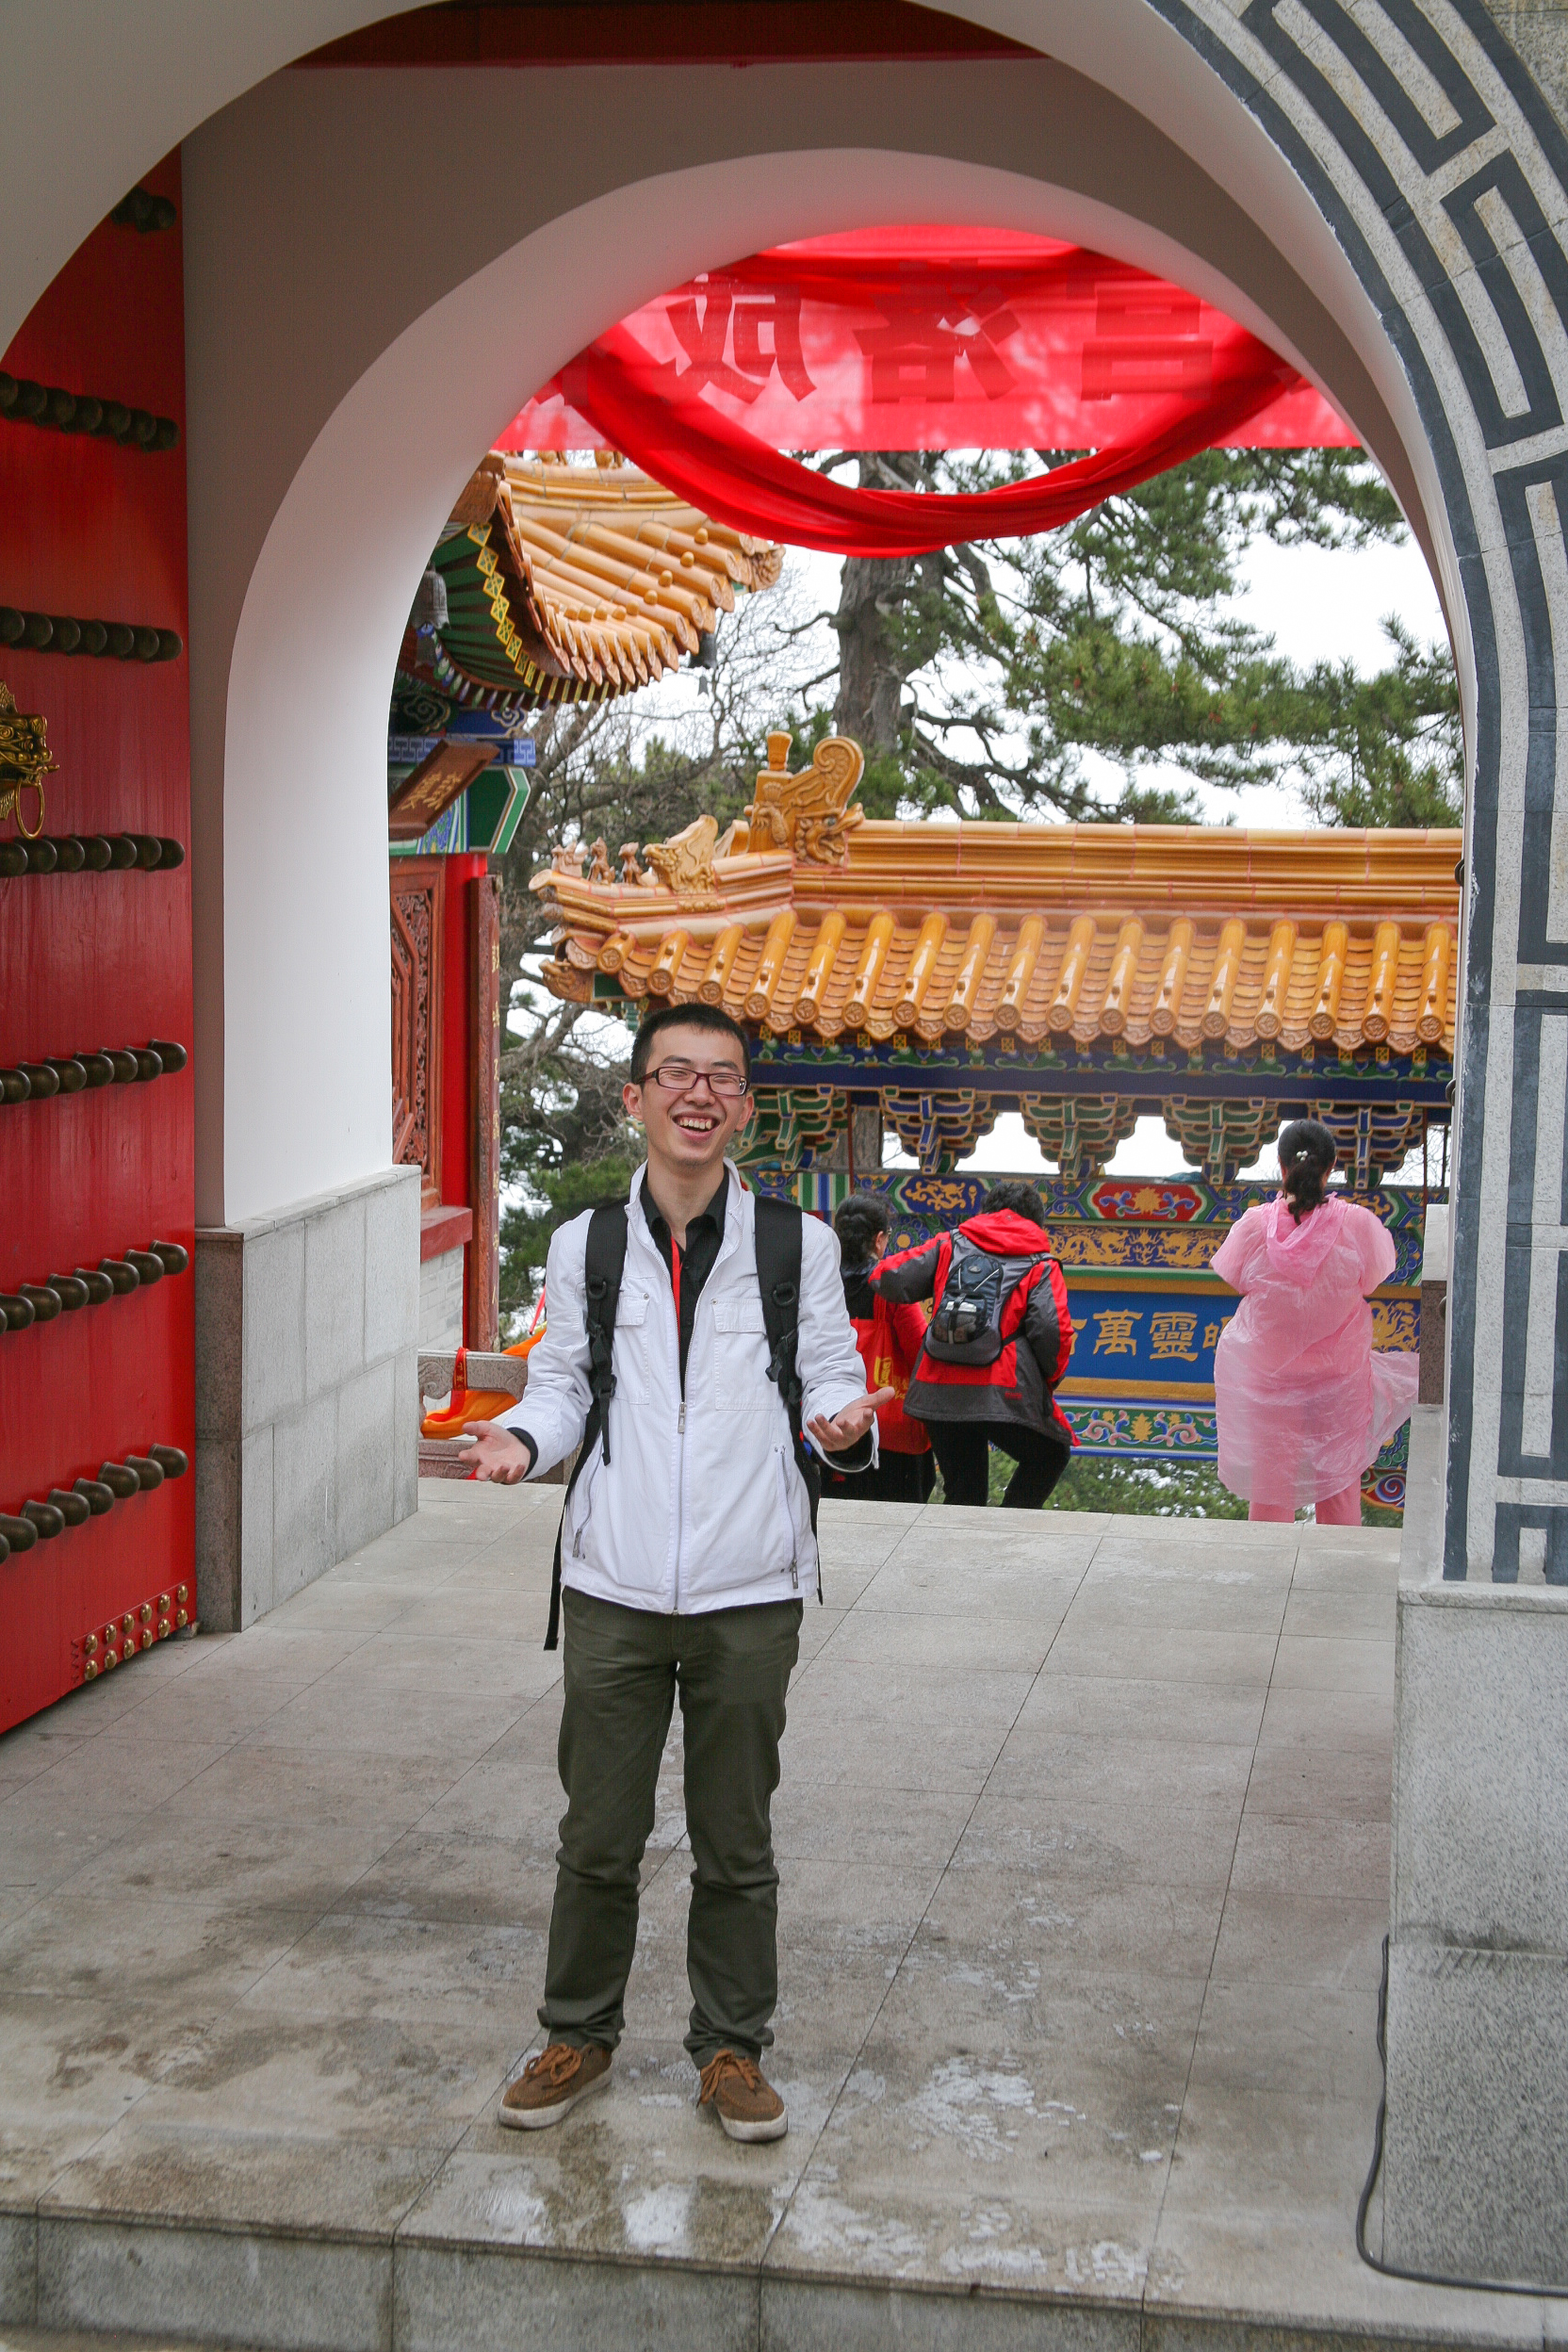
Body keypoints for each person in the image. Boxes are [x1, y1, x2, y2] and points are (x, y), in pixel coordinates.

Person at [460, 1003, 889, 2144]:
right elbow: (561, 1386)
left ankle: (731, 2051)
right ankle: (575, 2034)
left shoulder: (798, 1245)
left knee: (734, 1842)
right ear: (635, 1098)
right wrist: (522, 1441)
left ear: (745, 1106)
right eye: (675, 1074)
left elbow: (830, 1379)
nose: (698, 1096)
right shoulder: (586, 1243)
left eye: (723, 1079)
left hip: (748, 1589)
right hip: (611, 1587)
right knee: (596, 1835)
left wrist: (844, 1434)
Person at [1211, 1118, 1418, 1524]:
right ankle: (1340, 1577)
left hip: (1269, 1379)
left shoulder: (1253, 1226)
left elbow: (1234, 1277)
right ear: (1332, 1167)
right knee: (1339, 1482)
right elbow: (1373, 1279)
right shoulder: (1359, 1226)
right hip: (1339, 1379)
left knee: (1271, 1486)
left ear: (1281, 1164)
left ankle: (1265, 1574)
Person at [872, 1180, 1074, 1508]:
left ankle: (956, 1555)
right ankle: (1007, 1531)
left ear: (985, 1212)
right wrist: (1047, 1381)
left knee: (964, 1491)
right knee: (1051, 1453)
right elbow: (1053, 1332)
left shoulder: (949, 1244)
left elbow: (889, 1277)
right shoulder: (1041, 1263)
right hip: (1003, 1392)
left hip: (937, 1389)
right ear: (1036, 1222)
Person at [820, 1190, 937, 1504]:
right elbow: (922, 1357)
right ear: (880, 1240)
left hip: (835, 1428)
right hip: (890, 1437)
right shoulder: (890, 1289)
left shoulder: (820, 1287)